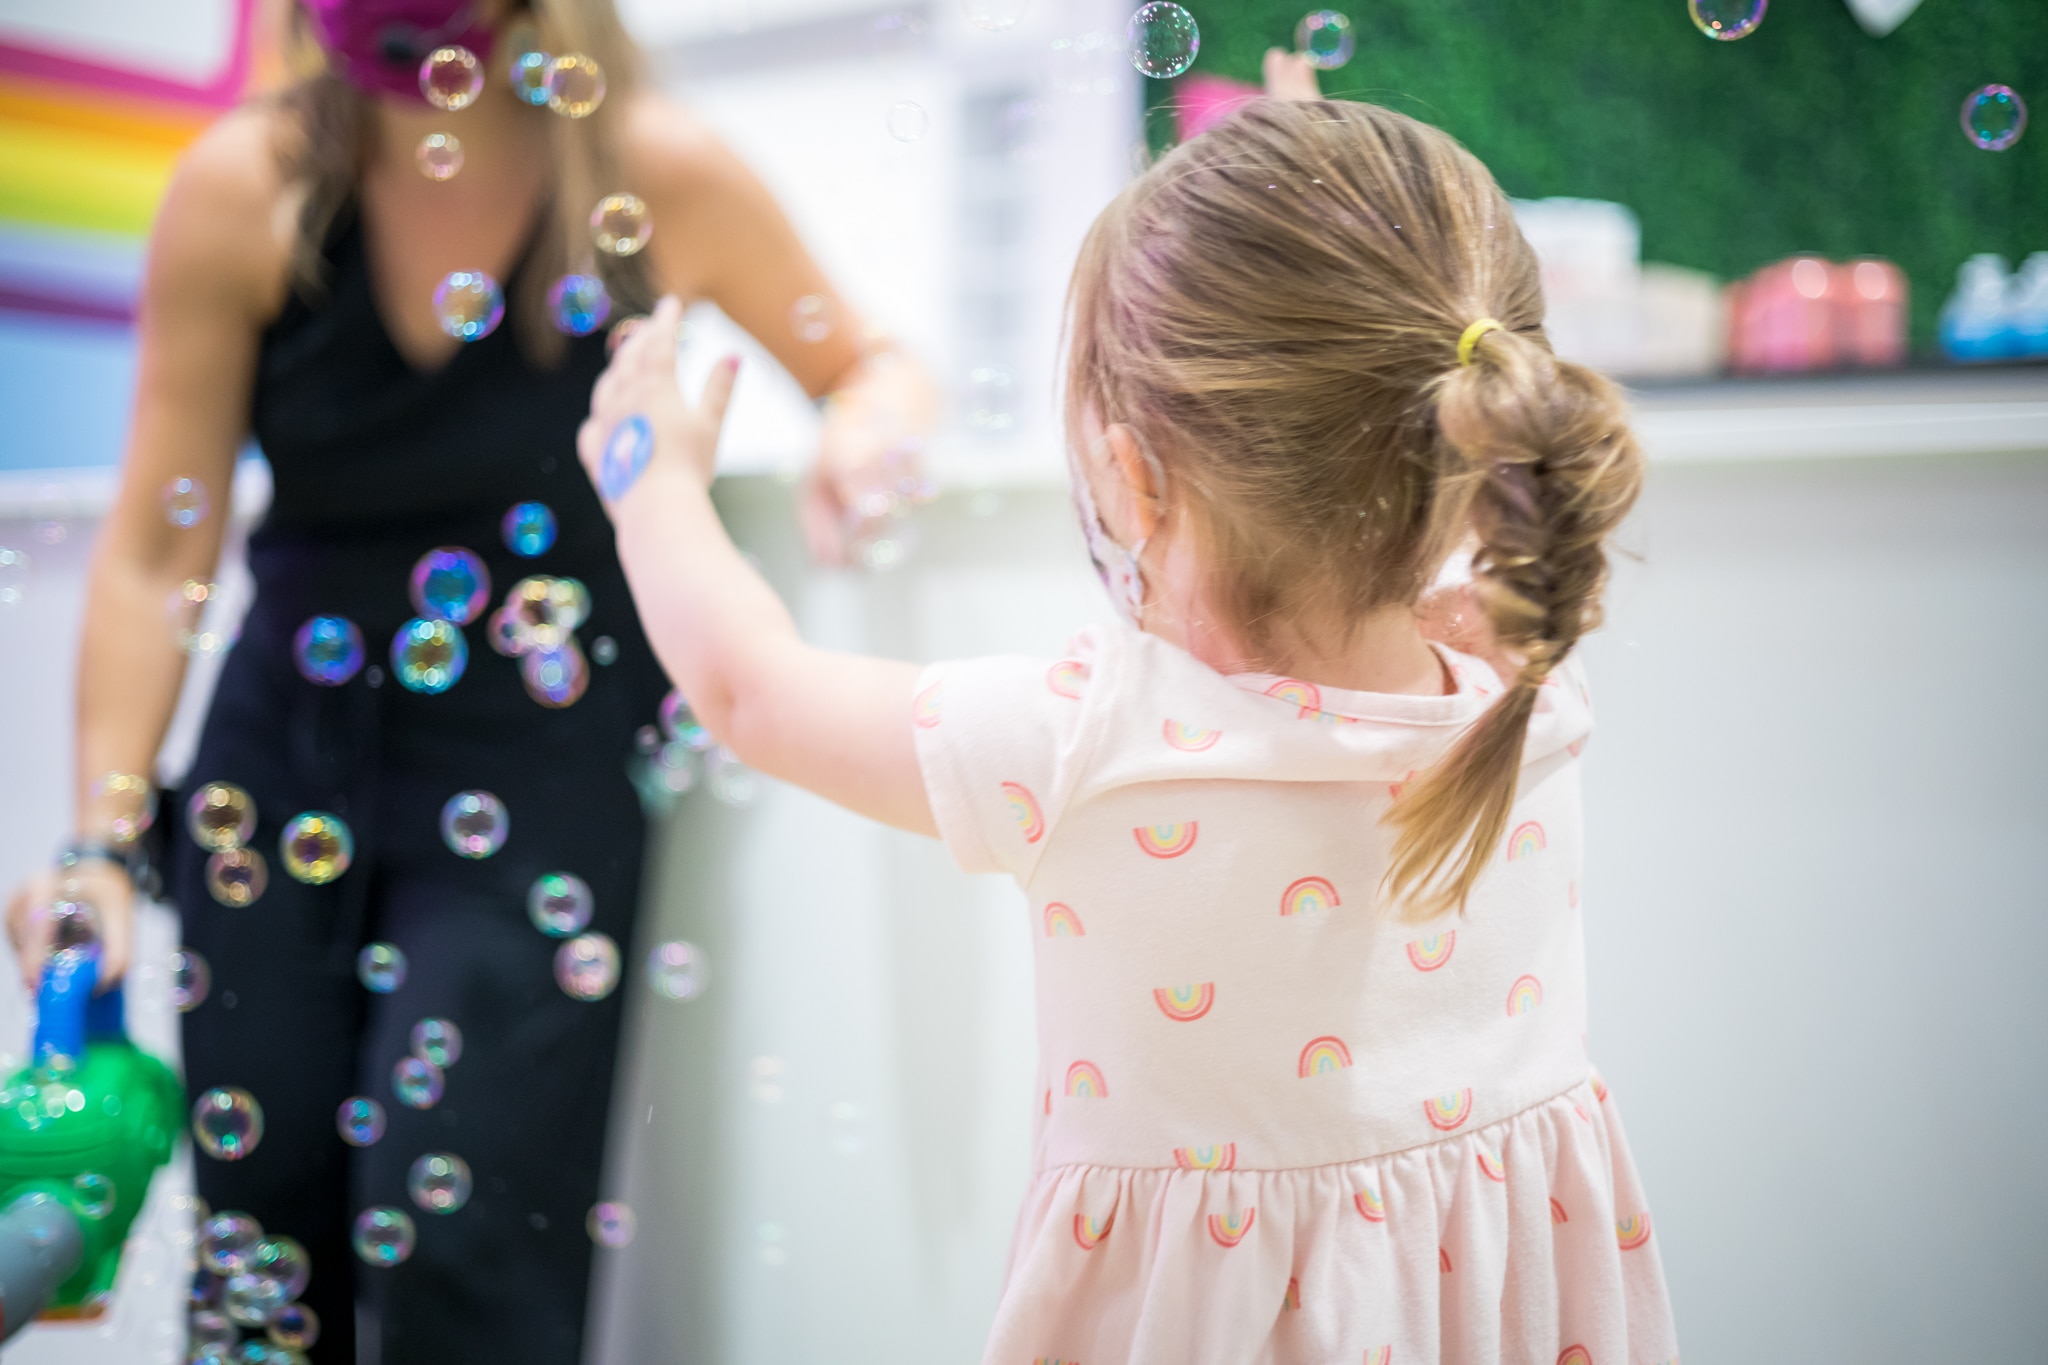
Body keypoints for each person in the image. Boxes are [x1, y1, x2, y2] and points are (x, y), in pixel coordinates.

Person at [578, 97, 1677, 1362]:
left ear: (1128, 477)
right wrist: (1320, 243)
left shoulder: (1087, 746)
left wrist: (649, 485)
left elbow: (751, 692)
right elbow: (1370, 400)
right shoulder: (1524, 672)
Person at [2, 0, 927, 1359]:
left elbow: (871, 364)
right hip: (273, 775)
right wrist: (97, 839)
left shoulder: (652, 170)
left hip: (536, 779)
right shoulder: (245, 184)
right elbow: (156, 549)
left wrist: (870, 432)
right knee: (261, 1256)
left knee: (465, 1240)